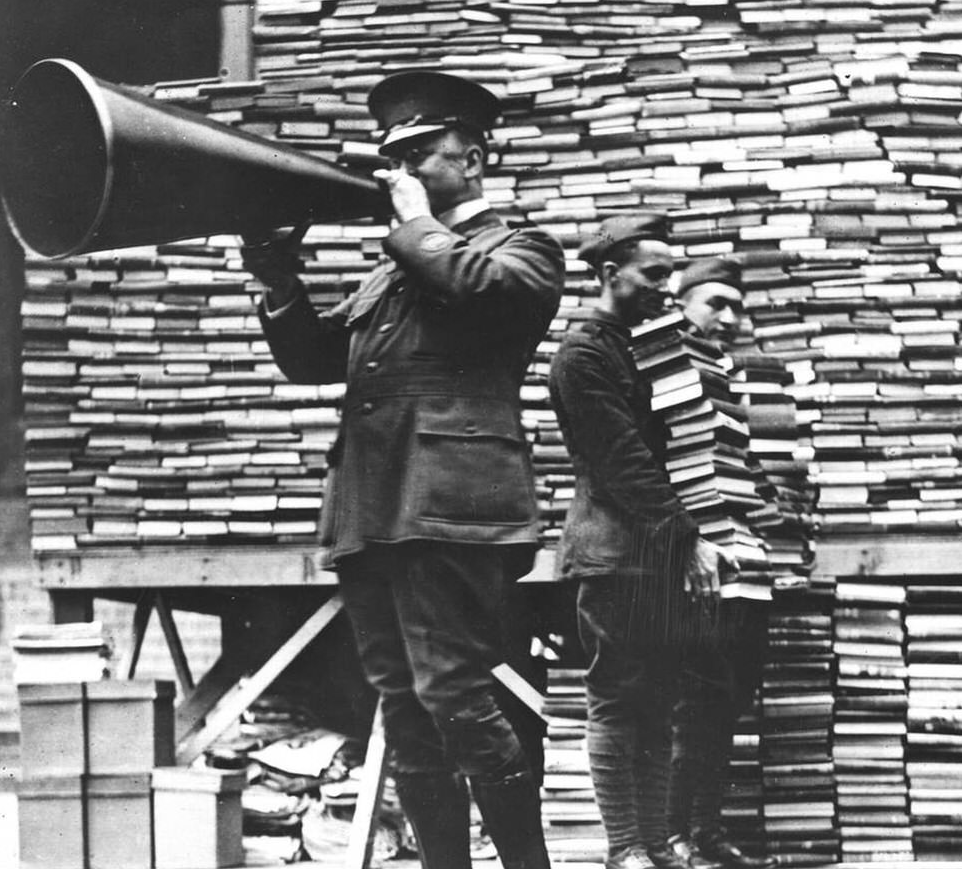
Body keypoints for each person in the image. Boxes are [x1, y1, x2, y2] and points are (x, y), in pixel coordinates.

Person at [239, 69, 564, 869]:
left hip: (451, 505)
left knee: (453, 692)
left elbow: (483, 295)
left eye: (424, 152)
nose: (404, 171)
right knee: (406, 706)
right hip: (373, 509)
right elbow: (316, 361)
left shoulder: (518, 249)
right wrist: (280, 278)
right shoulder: (397, 269)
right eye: (396, 157)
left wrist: (416, 228)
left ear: (476, 158)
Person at [548, 214, 728, 869]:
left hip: (654, 552)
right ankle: (624, 847)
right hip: (615, 553)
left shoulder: (641, 346)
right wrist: (688, 539)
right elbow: (623, 461)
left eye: (671, 274)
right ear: (607, 275)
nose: (667, 286)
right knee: (619, 700)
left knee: (657, 703)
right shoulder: (585, 354)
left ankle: (655, 843)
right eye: (654, 273)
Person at [666, 256, 774, 869]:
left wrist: (775, 511)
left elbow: (742, 461)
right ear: (681, 304)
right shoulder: (665, 363)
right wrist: (685, 541)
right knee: (693, 701)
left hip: (747, 558)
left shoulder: (726, 372)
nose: (731, 318)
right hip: (696, 557)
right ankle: (674, 835)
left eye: (738, 306)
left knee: (729, 699)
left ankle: (705, 830)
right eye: (716, 304)